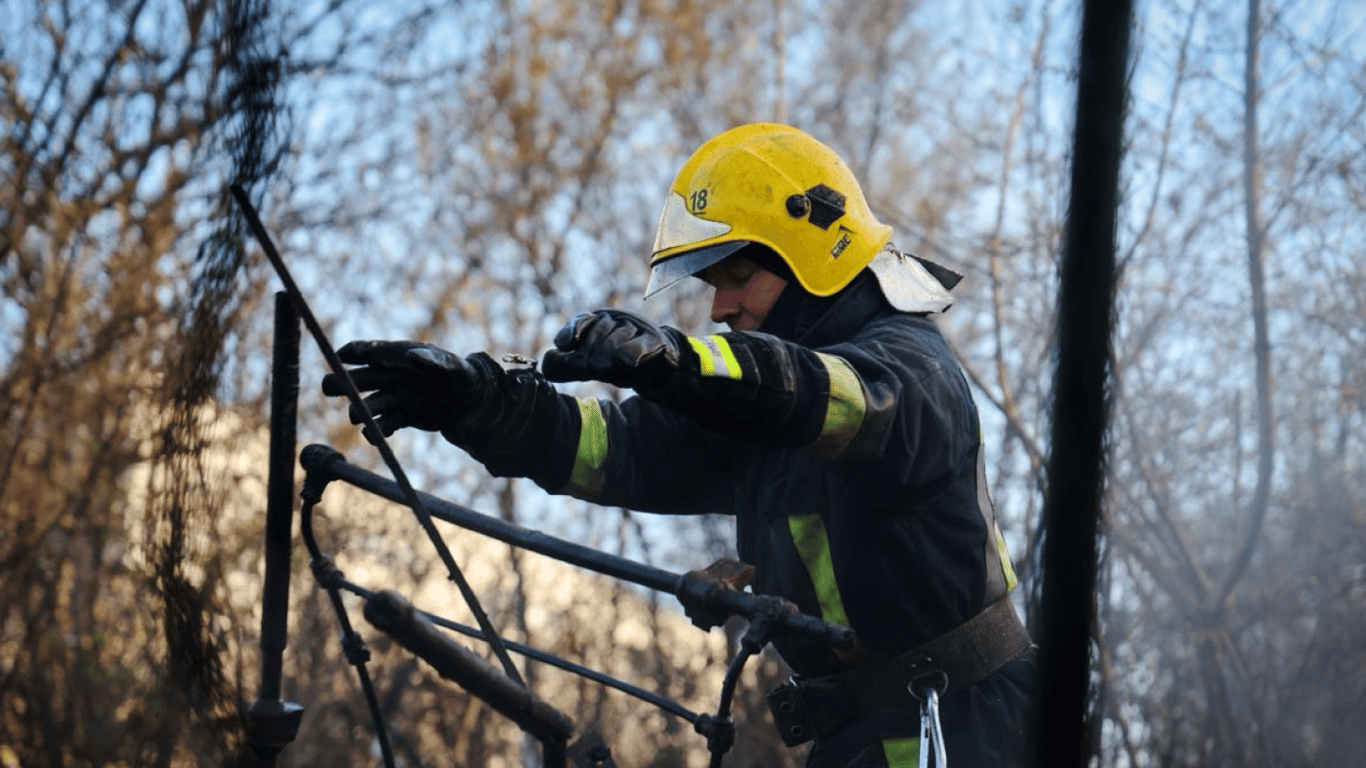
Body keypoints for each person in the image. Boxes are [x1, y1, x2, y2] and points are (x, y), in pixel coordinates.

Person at [323, 123, 1034, 767]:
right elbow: (620, 449)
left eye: (738, 277)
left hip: (966, 732)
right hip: (865, 738)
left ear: (814, 255)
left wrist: (676, 361)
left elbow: (828, 395)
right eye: (712, 286)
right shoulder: (762, 412)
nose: (720, 308)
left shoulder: (911, 370)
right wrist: (481, 405)